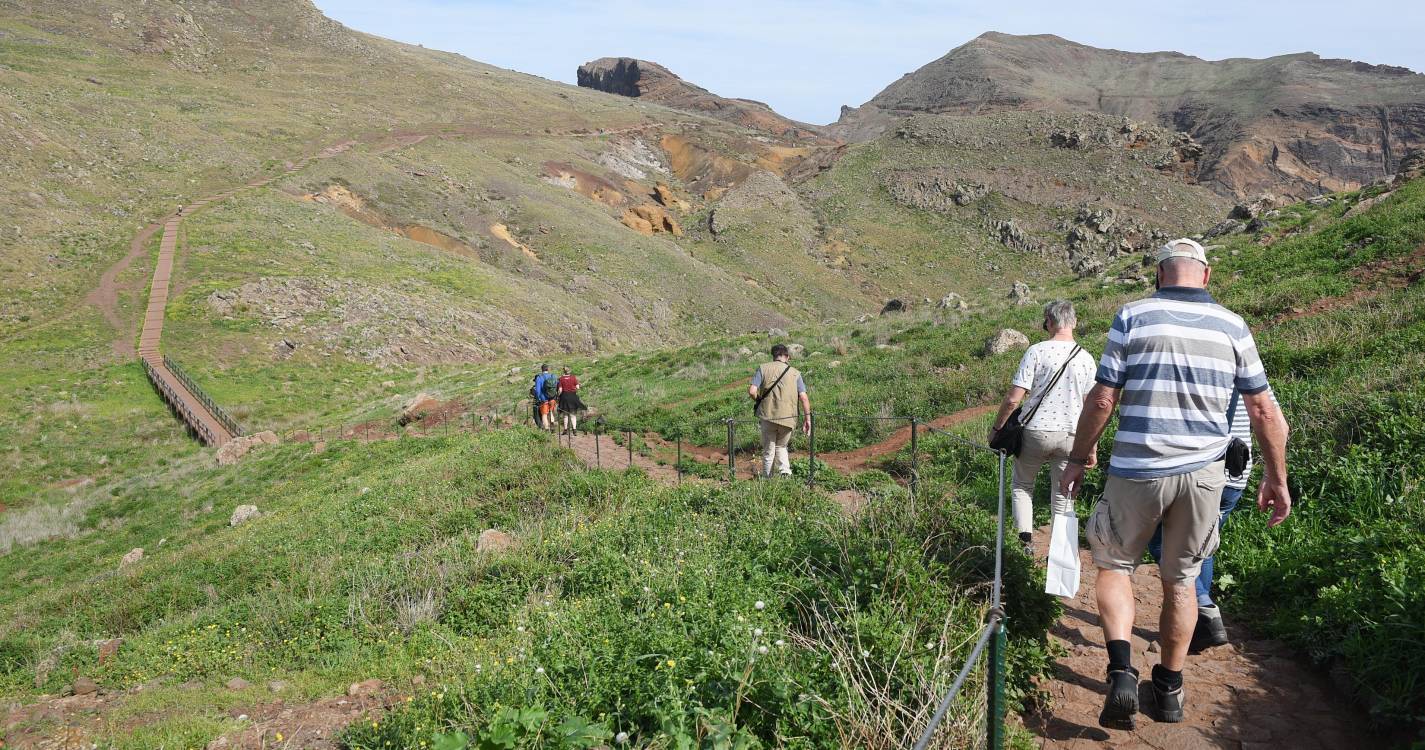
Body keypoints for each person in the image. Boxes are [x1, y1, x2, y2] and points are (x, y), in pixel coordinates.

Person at [1059, 238, 1290, 729]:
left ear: (1159, 274)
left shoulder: (1133, 315)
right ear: (1205, 276)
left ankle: (1121, 672)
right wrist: (1277, 477)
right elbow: (1265, 410)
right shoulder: (1234, 326)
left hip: (1136, 469)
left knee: (1115, 564)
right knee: (1182, 578)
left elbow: (1103, 399)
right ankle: (1168, 688)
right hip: (1204, 475)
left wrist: (1080, 457)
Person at [1145, 387, 1273, 653]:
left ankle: (1204, 610)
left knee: (1161, 541)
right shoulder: (1248, 365)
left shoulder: (1202, 365)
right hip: (1236, 472)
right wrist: (1272, 473)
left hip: (1200, 469)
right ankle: (1197, 626)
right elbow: (1268, 415)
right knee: (1203, 546)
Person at [988, 300, 1097, 556]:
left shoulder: (1037, 351)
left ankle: (1026, 541)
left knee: (1022, 486)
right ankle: (1061, 556)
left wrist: (997, 428)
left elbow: (1014, 398)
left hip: (1035, 432)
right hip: (1071, 435)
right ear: (1074, 322)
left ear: (1049, 321)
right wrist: (1092, 446)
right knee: (1063, 494)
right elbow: (1093, 407)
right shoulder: (1086, 357)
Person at [748, 344, 811, 478]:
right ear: (787, 356)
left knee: (768, 450)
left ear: (774, 356)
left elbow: (752, 391)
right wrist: (807, 419)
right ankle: (785, 473)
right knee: (781, 447)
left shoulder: (763, 368)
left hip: (768, 416)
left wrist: (759, 400)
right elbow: (804, 398)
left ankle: (767, 479)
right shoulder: (795, 373)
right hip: (788, 418)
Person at [556, 366, 586, 435]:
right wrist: (574, 388)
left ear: (564, 371)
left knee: (565, 415)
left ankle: (565, 430)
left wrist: (558, 396)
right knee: (573, 414)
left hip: (564, 397)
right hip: (572, 396)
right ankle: (574, 430)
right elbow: (578, 387)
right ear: (570, 371)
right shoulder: (573, 377)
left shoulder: (561, 379)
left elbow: (560, 390)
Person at [532, 364, 557, 431]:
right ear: (548, 369)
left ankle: (546, 429)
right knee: (551, 411)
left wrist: (539, 399)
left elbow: (537, 391)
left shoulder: (539, 377)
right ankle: (552, 426)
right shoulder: (552, 376)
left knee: (544, 414)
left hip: (544, 399)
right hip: (552, 398)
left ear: (542, 369)